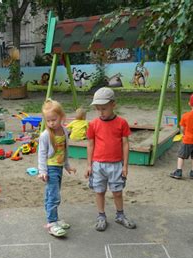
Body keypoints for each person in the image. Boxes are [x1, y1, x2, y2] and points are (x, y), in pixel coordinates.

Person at [85, 87, 136, 231]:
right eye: (98, 109)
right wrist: (89, 165)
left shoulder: (122, 123)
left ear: (113, 104)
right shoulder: (93, 124)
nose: (101, 112)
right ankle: (101, 216)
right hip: (98, 165)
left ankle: (120, 215)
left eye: (104, 108)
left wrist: (125, 166)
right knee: (99, 191)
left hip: (116, 164)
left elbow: (125, 144)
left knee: (117, 192)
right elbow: (90, 144)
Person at [38, 99, 77, 237]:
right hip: (50, 169)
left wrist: (67, 166)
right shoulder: (46, 135)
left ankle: (54, 219)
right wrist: (42, 171)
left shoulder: (64, 131)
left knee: (52, 194)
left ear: (62, 117)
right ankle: (51, 222)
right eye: (48, 121)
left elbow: (64, 151)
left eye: (54, 119)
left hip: (59, 167)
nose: (51, 123)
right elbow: (42, 154)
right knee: (53, 195)